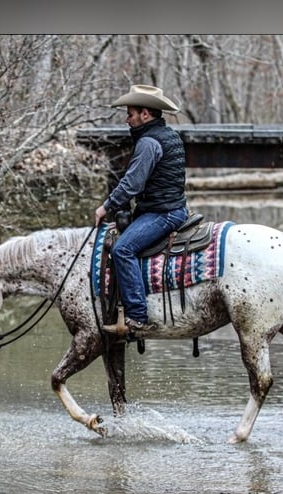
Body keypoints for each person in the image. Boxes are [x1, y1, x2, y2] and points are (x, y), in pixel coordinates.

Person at [94, 84, 189, 334]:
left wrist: (106, 207)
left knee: (123, 249)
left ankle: (137, 317)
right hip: (171, 208)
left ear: (145, 114)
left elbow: (132, 183)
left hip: (163, 213)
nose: (127, 119)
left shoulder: (148, 142)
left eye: (130, 113)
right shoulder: (170, 135)